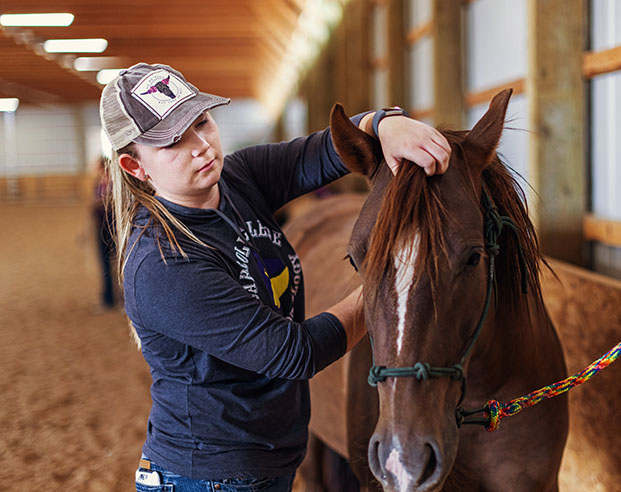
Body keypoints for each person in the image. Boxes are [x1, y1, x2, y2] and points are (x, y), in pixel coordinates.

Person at [99, 62, 450, 492]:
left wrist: (383, 123)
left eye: (202, 122)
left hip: (266, 460)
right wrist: (394, 287)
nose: (201, 146)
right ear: (136, 167)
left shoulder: (237, 179)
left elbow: (316, 155)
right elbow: (294, 353)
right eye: (173, 142)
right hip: (210, 474)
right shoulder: (161, 264)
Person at [92, 156, 116, 308]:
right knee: (105, 264)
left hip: (113, 228)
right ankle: (108, 298)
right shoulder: (97, 185)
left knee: (117, 264)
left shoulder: (114, 186)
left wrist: (100, 203)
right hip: (101, 227)